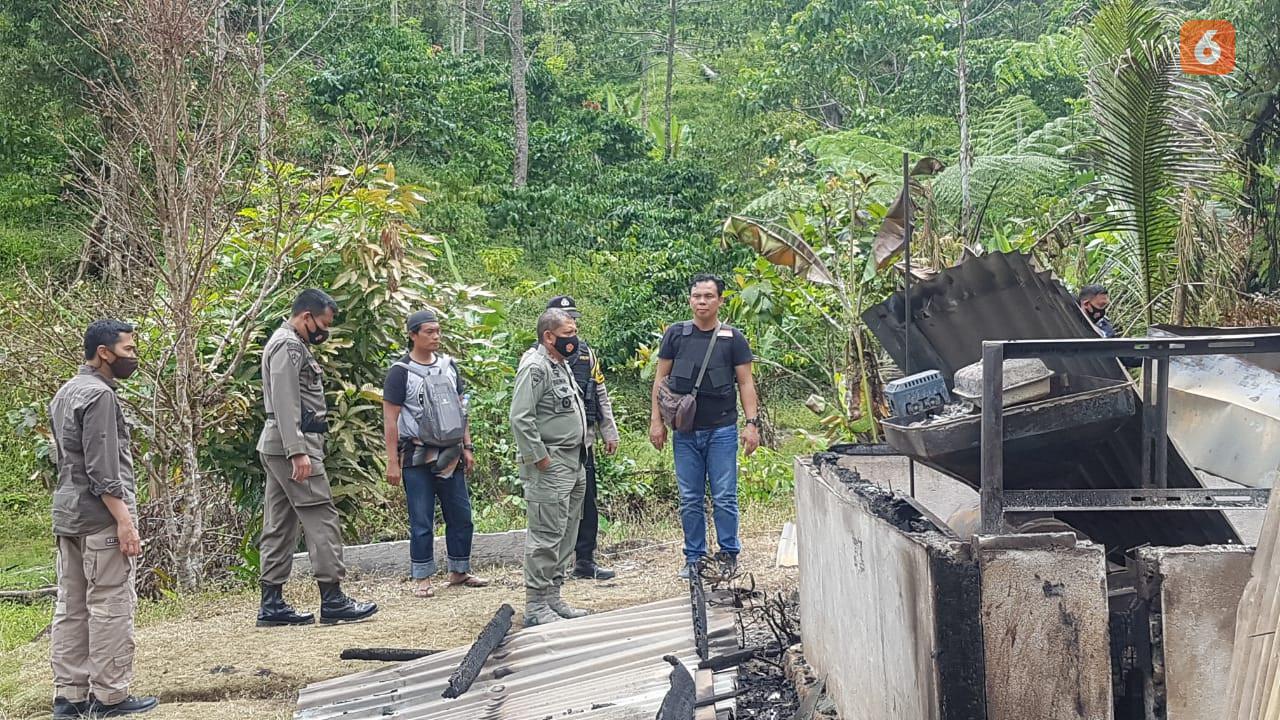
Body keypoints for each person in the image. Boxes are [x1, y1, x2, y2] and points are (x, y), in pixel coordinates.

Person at [48, 320, 158, 718]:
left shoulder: (66, 390)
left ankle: (70, 697)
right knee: (110, 603)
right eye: (128, 350)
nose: (134, 357)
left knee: (71, 605)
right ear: (104, 353)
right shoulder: (100, 396)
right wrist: (125, 522)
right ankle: (110, 696)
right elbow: (103, 469)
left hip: (68, 513)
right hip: (99, 518)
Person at [256, 289, 377, 626]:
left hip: (279, 444)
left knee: (280, 523)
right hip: (293, 445)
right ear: (306, 317)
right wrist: (298, 451)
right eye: (323, 324)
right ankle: (333, 598)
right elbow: (285, 401)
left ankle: (272, 604)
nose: (325, 331)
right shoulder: (288, 345)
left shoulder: (288, 342)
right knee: (321, 516)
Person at [649, 274, 761, 579]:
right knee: (689, 498)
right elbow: (660, 380)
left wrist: (751, 424)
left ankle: (728, 555)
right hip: (684, 432)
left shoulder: (733, 339)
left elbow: (746, 383)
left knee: (724, 496)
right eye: (697, 296)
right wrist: (656, 421)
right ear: (690, 300)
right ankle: (694, 558)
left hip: (722, 429)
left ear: (720, 301)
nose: (702, 302)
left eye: (709, 296)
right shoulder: (676, 335)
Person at [382, 310, 489, 597]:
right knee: (421, 517)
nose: (436, 337)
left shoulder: (449, 367)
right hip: (415, 453)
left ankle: (459, 569)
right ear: (412, 335)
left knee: (461, 514)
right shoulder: (400, 372)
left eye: (438, 331)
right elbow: (390, 419)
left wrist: (467, 446)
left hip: (450, 451)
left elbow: (461, 408)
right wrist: (392, 461)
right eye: (429, 332)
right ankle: (422, 576)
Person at [509, 308, 592, 625]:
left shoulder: (561, 364)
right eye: (568, 334)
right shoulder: (536, 367)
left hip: (574, 461)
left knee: (567, 533)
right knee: (545, 535)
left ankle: (553, 596)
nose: (574, 340)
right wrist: (539, 456)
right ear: (548, 336)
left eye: (574, 332)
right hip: (551, 464)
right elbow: (521, 417)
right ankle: (535, 605)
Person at [541, 296, 621, 581]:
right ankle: (551, 567)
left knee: (587, 504)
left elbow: (599, 393)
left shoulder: (587, 354)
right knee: (553, 507)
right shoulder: (538, 359)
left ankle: (585, 561)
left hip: (584, 442)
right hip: (552, 446)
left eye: (573, 319)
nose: (571, 323)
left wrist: (609, 431)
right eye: (564, 319)